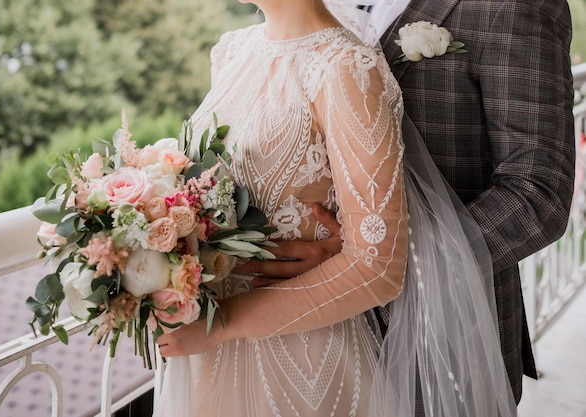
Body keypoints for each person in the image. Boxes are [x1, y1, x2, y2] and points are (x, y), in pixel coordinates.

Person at [154, 1, 519, 416]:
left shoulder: (345, 67)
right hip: (205, 354)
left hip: (301, 362)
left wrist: (225, 324)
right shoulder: (232, 51)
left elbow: (378, 267)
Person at [242, 0, 576, 408]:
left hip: (444, 341)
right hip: (305, 344)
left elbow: (538, 194)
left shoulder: (510, 6)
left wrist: (379, 254)